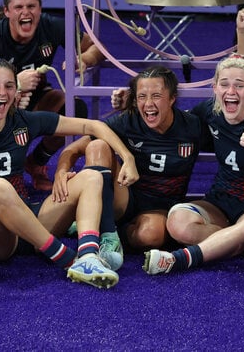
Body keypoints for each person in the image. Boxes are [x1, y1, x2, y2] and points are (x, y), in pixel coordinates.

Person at [0, 59, 138, 289]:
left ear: (16, 90)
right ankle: (65, 257)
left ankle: (88, 256)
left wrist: (127, 157)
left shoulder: (23, 121)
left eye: (9, 86)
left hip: (28, 219)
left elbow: (93, 126)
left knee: (91, 177)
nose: (2, 93)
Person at [140, 55, 244, 275]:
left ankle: (182, 258)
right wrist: (130, 104)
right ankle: (241, 244)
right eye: (224, 84)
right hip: (220, 201)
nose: (231, 91)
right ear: (215, 88)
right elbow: (168, 120)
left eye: (239, 86)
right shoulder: (210, 111)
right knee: (177, 222)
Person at [51, 66, 206, 252]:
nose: (148, 103)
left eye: (156, 95)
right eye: (141, 96)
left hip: (161, 207)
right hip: (123, 198)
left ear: (172, 98)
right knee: (97, 146)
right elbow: (74, 148)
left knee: (151, 235)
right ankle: (107, 235)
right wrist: (61, 171)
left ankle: (99, 224)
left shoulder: (193, 126)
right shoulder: (129, 120)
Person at [0, 0, 103, 191]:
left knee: (75, 108)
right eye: (18, 7)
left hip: (38, 95)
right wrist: (16, 84)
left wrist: (84, 59)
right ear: (7, 11)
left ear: (40, 8)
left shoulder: (50, 25)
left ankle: (36, 163)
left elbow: (95, 47)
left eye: (31, 6)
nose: (26, 12)